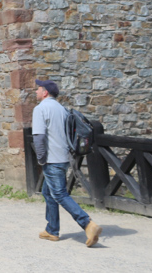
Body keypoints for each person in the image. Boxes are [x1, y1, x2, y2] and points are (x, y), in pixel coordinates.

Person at [32, 79, 102, 246]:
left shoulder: (40, 109)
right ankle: (52, 230)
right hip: (64, 158)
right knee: (48, 193)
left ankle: (87, 223)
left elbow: (39, 137)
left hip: (52, 159)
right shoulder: (61, 109)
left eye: (38, 89)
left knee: (59, 194)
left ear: (45, 92)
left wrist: (41, 158)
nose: (35, 92)